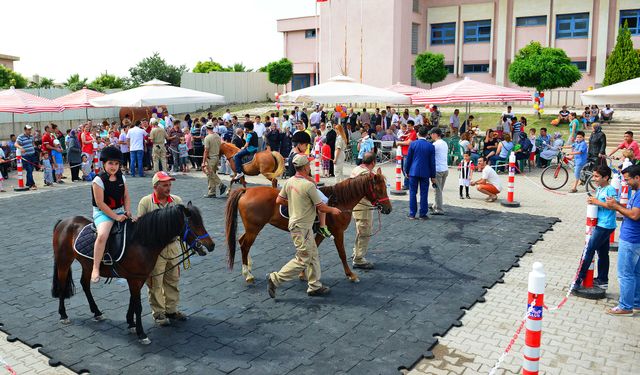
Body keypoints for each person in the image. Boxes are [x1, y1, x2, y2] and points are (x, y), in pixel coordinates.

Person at [267, 154, 342, 298]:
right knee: (304, 258)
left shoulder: (289, 181)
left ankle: (314, 286)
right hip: (302, 227)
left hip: (298, 225)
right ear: (305, 167)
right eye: (309, 164)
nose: (310, 166)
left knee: (313, 254)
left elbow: (279, 200)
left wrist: (296, 204)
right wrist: (333, 210)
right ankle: (275, 278)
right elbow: (321, 206)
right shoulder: (308, 185)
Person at [138, 171, 188, 325]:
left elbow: (183, 224)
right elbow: (141, 228)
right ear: (155, 186)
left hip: (173, 248)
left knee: (173, 280)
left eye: (169, 184)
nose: (168, 187)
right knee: (155, 282)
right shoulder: (146, 202)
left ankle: (171, 310)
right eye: (165, 185)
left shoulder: (177, 201)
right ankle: (159, 313)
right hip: (155, 252)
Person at [572, 165, 617, 291]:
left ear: (606, 177)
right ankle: (602, 280)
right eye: (594, 176)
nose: (594, 179)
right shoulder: (600, 188)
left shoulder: (610, 190)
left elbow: (614, 206)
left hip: (605, 225)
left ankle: (579, 278)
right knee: (603, 253)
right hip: (600, 223)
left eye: (597, 176)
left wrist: (597, 202)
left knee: (589, 249)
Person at [90, 146, 131, 283]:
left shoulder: (122, 178)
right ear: (104, 164)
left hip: (119, 209)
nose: (114, 167)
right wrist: (116, 217)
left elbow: (126, 197)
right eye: (110, 163)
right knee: (102, 235)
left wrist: (128, 210)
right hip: (103, 213)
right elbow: (100, 203)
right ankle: (95, 267)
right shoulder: (98, 180)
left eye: (116, 164)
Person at [604, 164, 640, 316]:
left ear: (637, 178)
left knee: (625, 273)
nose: (626, 183)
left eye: (628, 180)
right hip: (634, 238)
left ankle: (625, 306)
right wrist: (617, 205)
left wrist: (616, 207)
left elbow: (634, 215)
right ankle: (636, 302)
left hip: (631, 239)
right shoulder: (636, 192)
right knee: (636, 273)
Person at [349, 152, 377, 269]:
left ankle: (356, 252)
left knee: (360, 230)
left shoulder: (356, 169)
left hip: (356, 206)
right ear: (373, 163)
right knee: (364, 232)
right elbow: (371, 192)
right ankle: (359, 258)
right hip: (364, 206)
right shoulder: (367, 174)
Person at [405, 126, 436, 219]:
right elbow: (432, 162)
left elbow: (408, 159)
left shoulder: (413, 144)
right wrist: (433, 175)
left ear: (418, 134)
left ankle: (412, 213)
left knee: (412, 193)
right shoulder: (431, 146)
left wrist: (407, 171)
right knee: (424, 193)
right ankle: (423, 214)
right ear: (427, 135)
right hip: (425, 172)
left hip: (413, 171)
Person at [202, 123, 226, 198]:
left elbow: (206, 150)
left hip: (210, 158)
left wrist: (203, 161)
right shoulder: (217, 136)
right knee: (211, 175)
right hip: (216, 157)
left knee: (210, 174)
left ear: (206, 129)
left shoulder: (207, 137)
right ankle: (212, 192)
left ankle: (220, 184)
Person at [430, 128, 448, 215]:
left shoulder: (435, 144)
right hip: (445, 169)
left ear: (435, 134)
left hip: (438, 170)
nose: (431, 136)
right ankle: (435, 205)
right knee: (440, 190)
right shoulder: (444, 143)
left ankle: (439, 209)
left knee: (437, 191)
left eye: (431, 134)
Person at [15, 125, 38, 190]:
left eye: (30, 129)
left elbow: (32, 143)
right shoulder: (21, 136)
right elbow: (16, 144)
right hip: (26, 156)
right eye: (28, 130)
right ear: (25, 130)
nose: (30, 131)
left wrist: (35, 146)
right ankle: (32, 184)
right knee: (29, 170)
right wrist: (21, 147)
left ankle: (28, 183)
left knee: (30, 170)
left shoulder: (31, 136)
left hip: (32, 155)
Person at [397, 120, 417, 189]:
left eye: (409, 126)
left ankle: (407, 184)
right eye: (407, 126)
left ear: (413, 126)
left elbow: (408, 142)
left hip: (408, 153)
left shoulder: (413, 133)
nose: (408, 127)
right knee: (403, 169)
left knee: (406, 169)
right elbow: (402, 138)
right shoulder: (407, 132)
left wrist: (399, 143)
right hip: (403, 152)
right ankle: (409, 182)